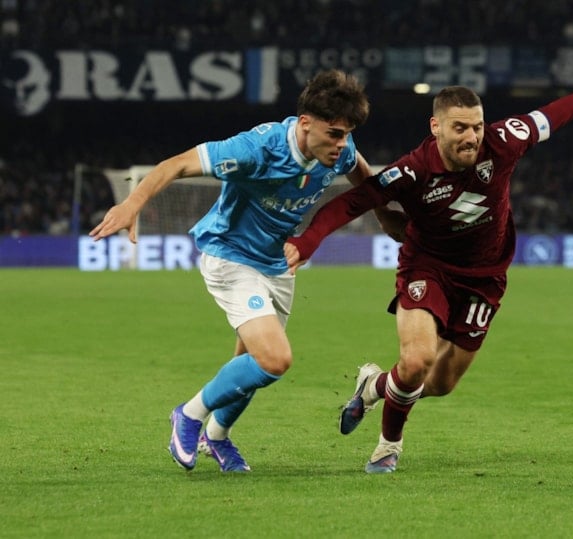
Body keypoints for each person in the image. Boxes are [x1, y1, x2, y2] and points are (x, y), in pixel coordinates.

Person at [284, 58, 573, 474]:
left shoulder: (504, 140)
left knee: (439, 384)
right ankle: (388, 446)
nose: (472, 137)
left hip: (485, 278)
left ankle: (374, 385)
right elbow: (352, 202)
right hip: (428, 267)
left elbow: (558, 112)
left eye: (476, 126)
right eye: (460, 128)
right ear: (436, 127)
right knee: (417, 362)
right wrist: (307, 242)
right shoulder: (413, 170)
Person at [90, 69, 400, 472]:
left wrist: (383, 214)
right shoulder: (257, 149)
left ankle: (218, 436)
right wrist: (132, 205)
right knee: (274, 358)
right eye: (335, 134)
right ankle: (189, 413)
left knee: (251, 366)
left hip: (277, 263)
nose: (342, 143)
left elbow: (358, 168)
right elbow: (177, 165)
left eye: (347, 134)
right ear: (305, 123)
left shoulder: (338, 147)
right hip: (231, 255)